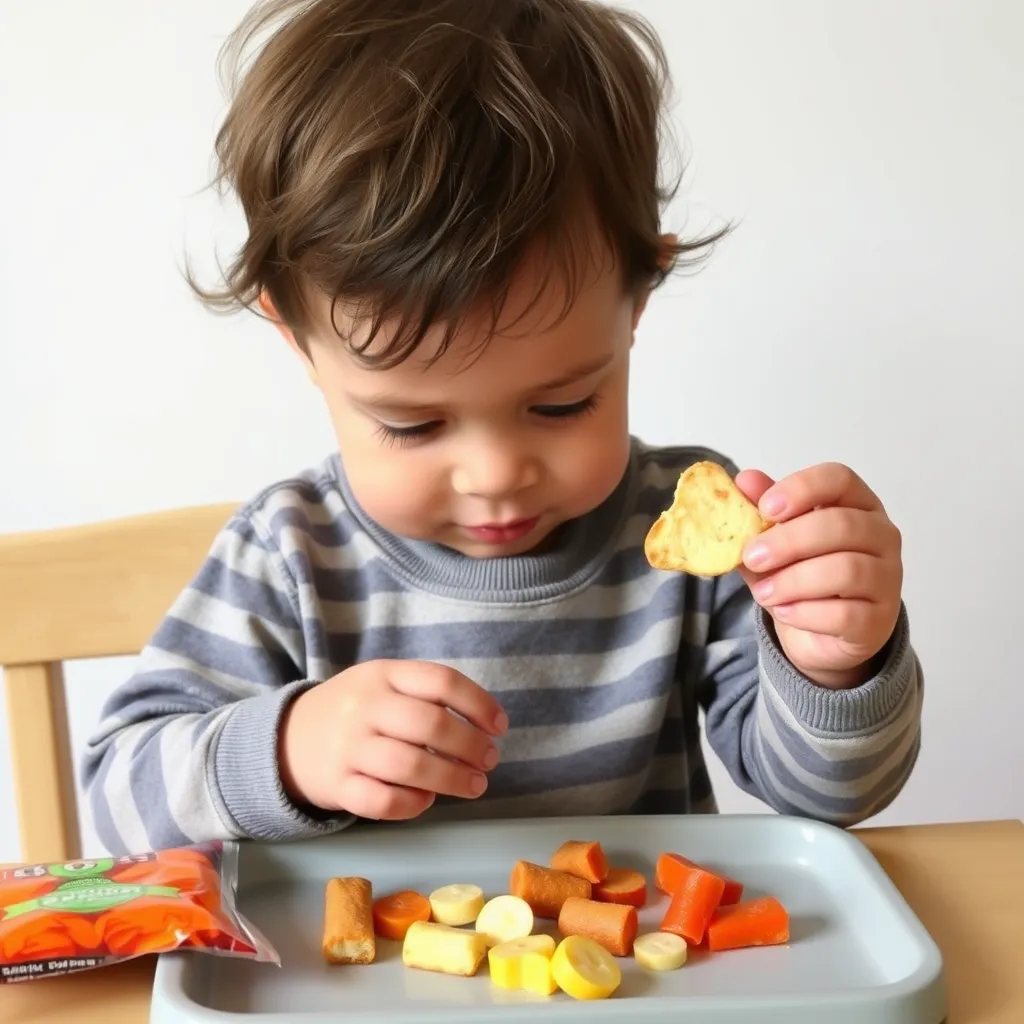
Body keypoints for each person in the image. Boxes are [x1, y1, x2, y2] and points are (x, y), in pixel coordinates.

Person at [82, 0, 921, 855]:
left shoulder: (675, 539)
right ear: (296, 339)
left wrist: (836, 661)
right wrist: (287, 751)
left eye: (561, 406)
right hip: (366, 979)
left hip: (642, 976)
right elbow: (116, 805)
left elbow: (833, 800)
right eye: (410, 425)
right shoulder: (291, 554)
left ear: (637, 299)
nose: (493, 474)